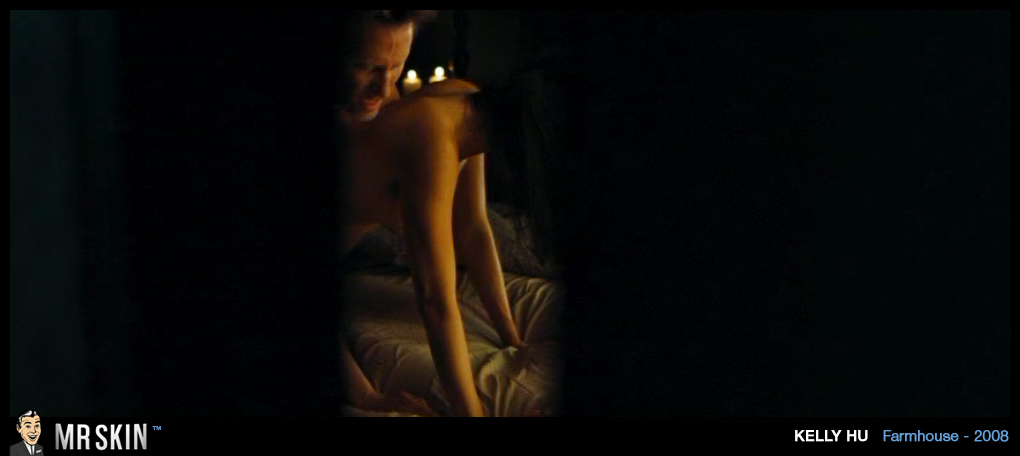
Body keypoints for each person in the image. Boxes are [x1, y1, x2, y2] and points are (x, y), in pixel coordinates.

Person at [335, 11, 522, 417]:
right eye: (364, 66)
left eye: (397, 67)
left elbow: (473, 229)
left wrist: (514, 339)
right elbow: (435, 300)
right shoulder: (426, 129)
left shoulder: (451, 102)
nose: (383, 87)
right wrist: (367, 396)